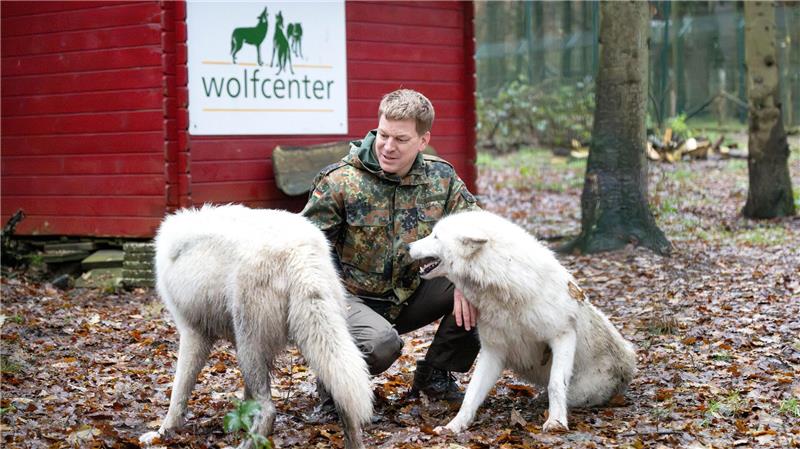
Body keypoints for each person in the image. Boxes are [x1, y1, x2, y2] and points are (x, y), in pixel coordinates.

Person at [301, 89, 481, 407]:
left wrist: (467, 279)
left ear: (423, 141)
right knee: (380, 344)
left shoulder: (441, 179)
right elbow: (302, 251)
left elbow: (478, 230)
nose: (387, 146)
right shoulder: (340, 181)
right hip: (350, 300)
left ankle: (435, 377)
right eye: (383, 135)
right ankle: (334, 384)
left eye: (400, 139)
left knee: (486, 284)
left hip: (410, 292)